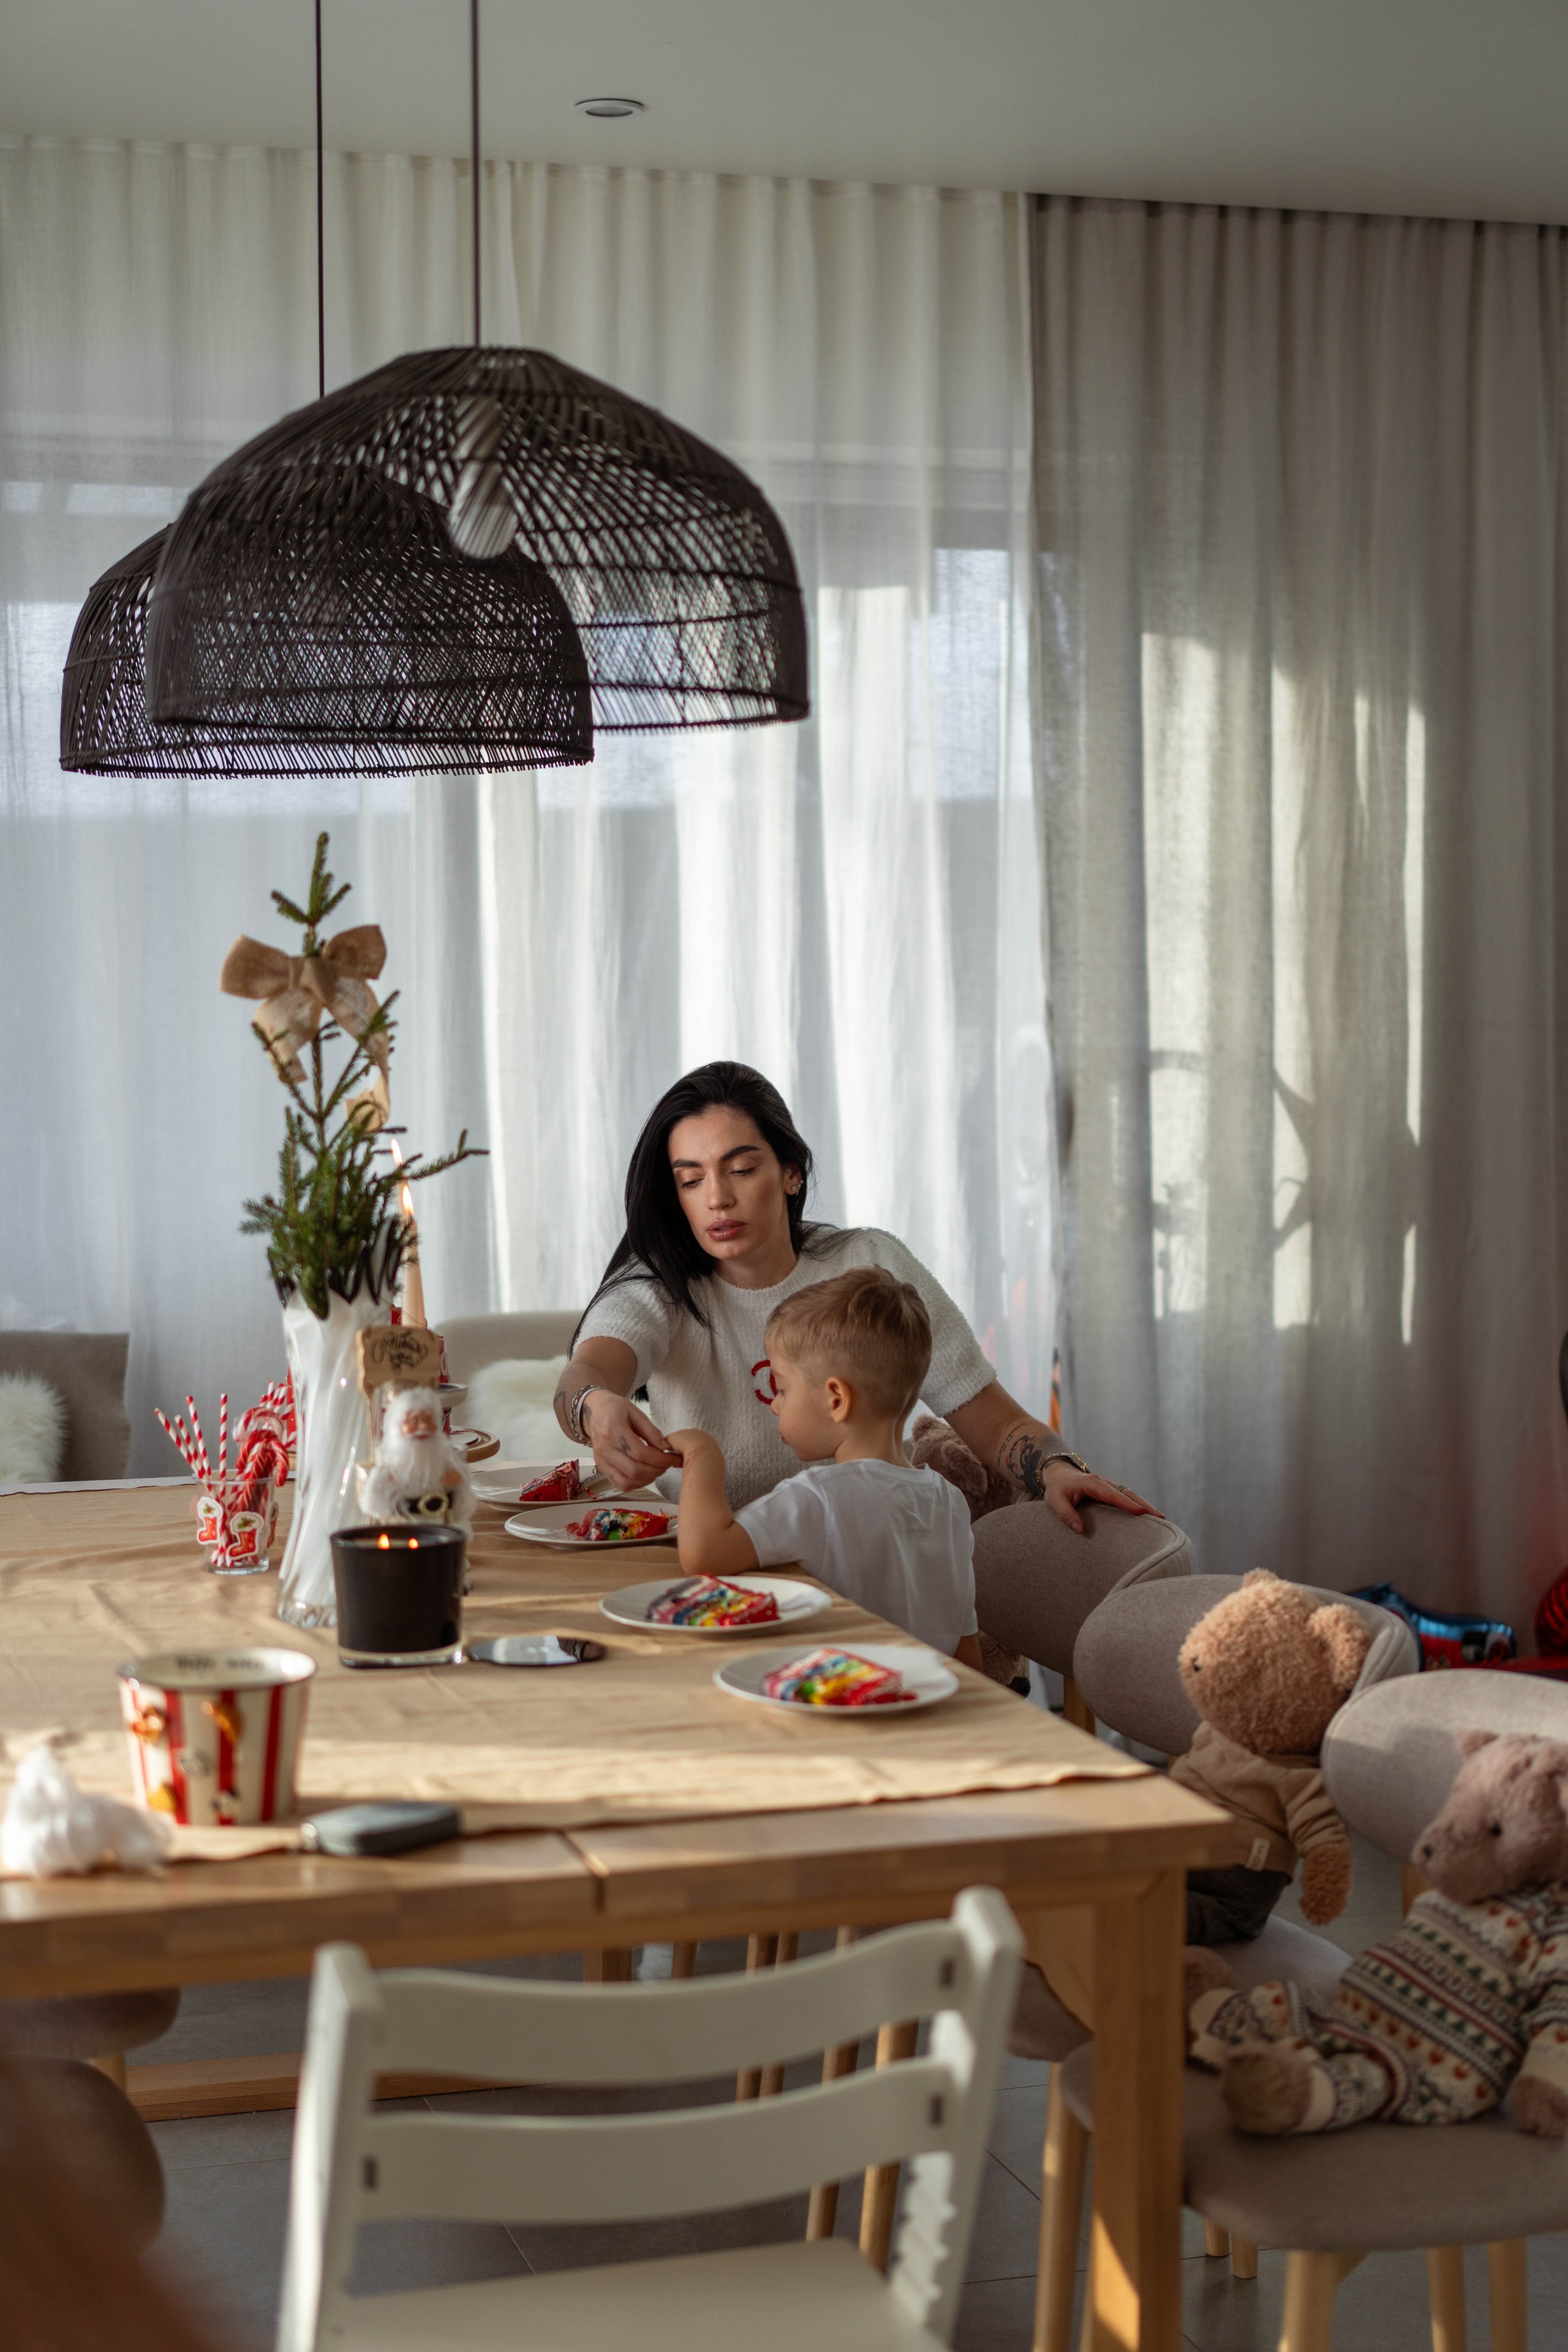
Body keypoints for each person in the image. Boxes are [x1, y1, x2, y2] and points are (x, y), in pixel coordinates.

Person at [555, 1060, 1155, 1531]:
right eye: (690, 1179)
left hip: (855, 1575)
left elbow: (987, 1416)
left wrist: (1057, 1468)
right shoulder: (656, 1289)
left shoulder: (868, 1263)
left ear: (791, 1173)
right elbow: (584, 1375)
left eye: (740, 1170)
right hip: (713, 1567)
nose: (716, 1198)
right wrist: (593, 1407)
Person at [669, 1265, 984, 1664]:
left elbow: (704, 1554)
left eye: (781, 1388)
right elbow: (966, 1648)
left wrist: (701, 1454)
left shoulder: (818, 1497)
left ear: (836, 1399)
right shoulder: (950, 1502)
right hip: (925, 1703)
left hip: (840, 1702)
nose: (775, 1404)